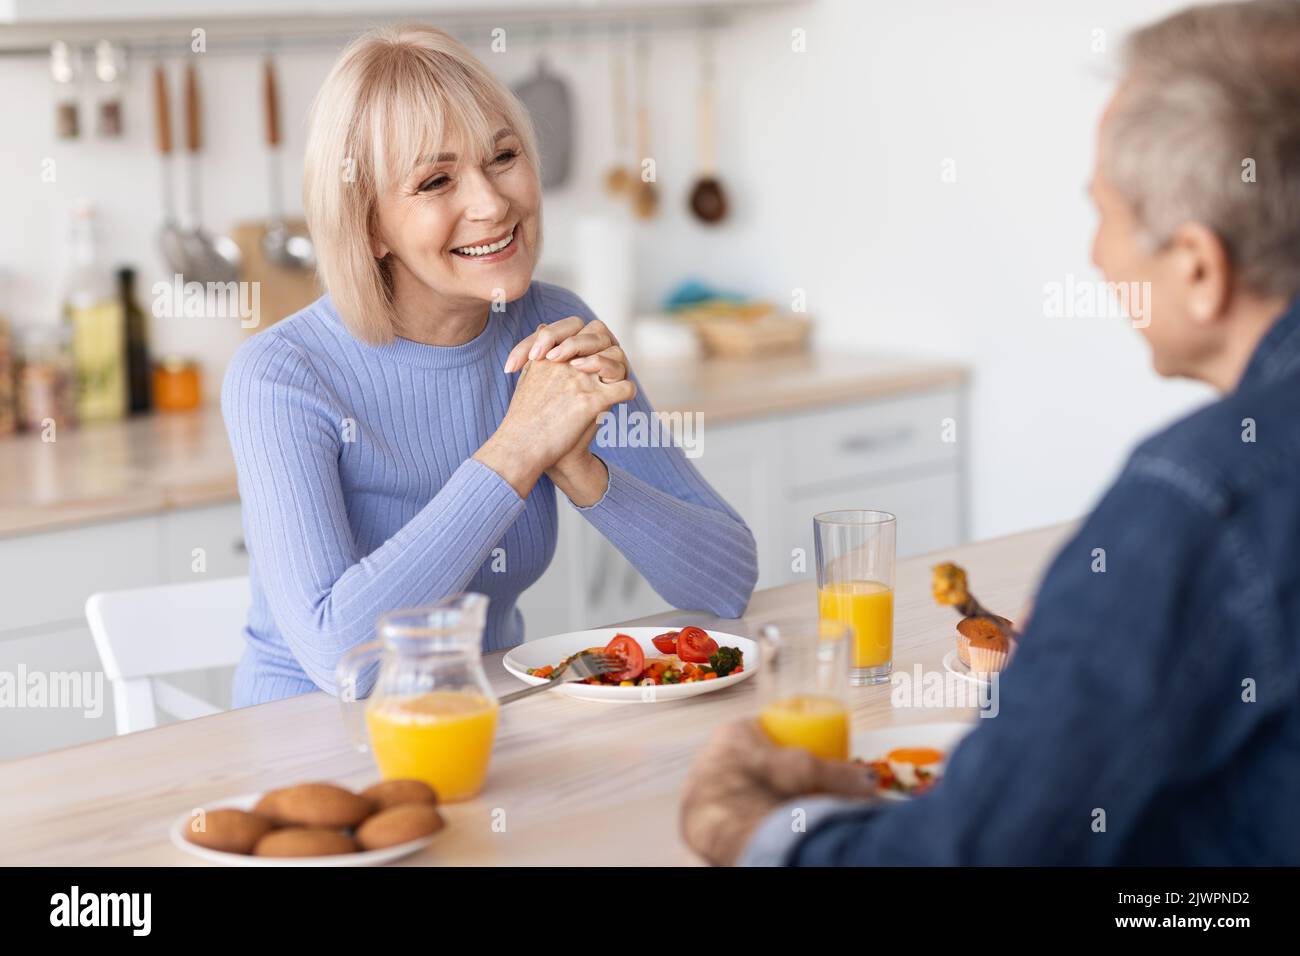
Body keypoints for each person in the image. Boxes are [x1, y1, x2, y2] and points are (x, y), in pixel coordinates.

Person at [681, 0, 1300, 866]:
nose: (1095, 256)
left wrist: (758, 832)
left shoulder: (1196, 498)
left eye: (1106, 213)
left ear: (1198, 266)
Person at [222, 25, 758, 705]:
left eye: (502, 156)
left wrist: (584, 471)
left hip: (487, 724)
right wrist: (517, 449)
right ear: (369, 226)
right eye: (437, 180)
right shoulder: (283, 374)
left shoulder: (553, 327)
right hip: (311, 751)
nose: (491, 203)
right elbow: (345, 662)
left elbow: (728, 583)